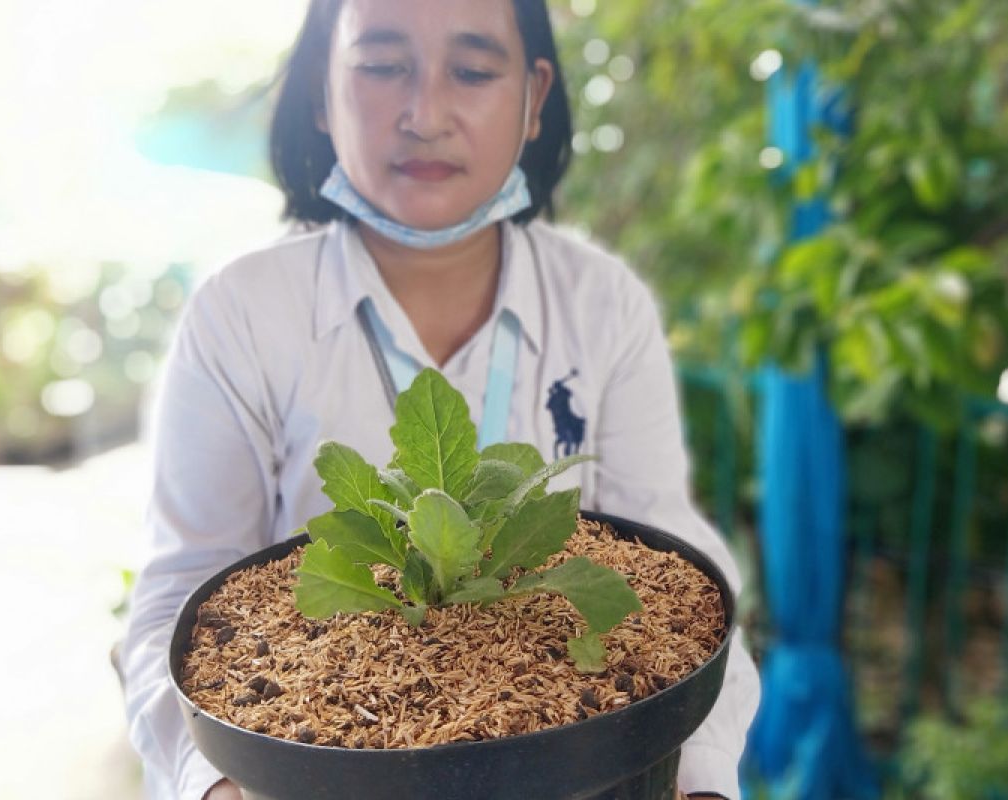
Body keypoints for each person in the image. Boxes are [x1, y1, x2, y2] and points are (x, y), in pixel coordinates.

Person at [120, 1, 760, 798]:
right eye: (383, 65)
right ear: (322, 93)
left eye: (473, 70)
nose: (425, 115)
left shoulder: (601, 305)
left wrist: (697, 778)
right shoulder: (243, 313)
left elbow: (673, 573)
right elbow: (181, 601)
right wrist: (213, 783)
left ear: (534, 96)